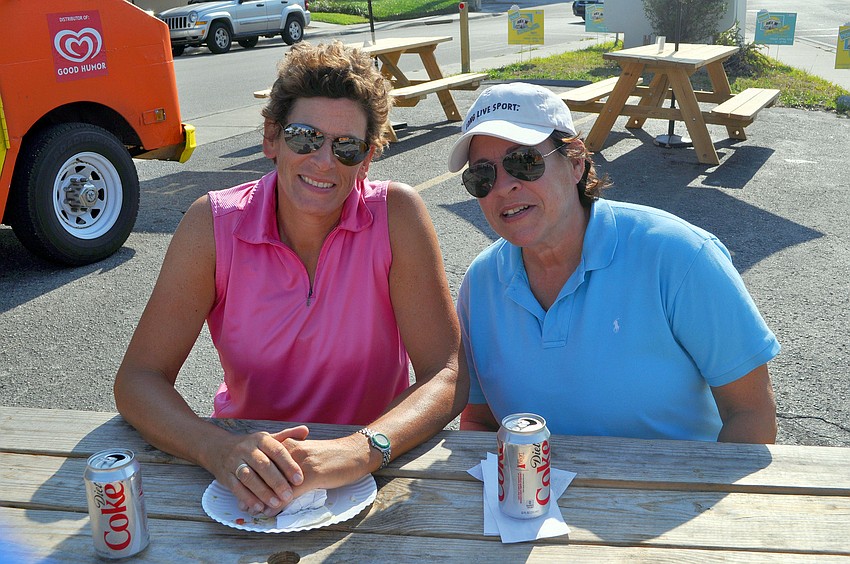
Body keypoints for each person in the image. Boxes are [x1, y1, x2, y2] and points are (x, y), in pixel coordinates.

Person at [114, 41, 466, 518]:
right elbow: (139, 378)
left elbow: (446, 373)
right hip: (246, 473)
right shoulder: (215, 225)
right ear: (271, 138)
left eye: (347, 147)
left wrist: (360, 449)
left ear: (366, 160)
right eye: (304, 137)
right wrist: (216, 449)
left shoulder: (395, 215)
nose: (323, 160)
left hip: (371, 470)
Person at [448, 82, 779, 443]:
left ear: (575, 162)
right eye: (482, 175)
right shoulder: (481, 282)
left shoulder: (678, 255)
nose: (502, 186)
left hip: (680, 493)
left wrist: (698, 496)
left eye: (524, 162)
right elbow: (480, 420)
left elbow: (751, 414)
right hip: (536, 496)